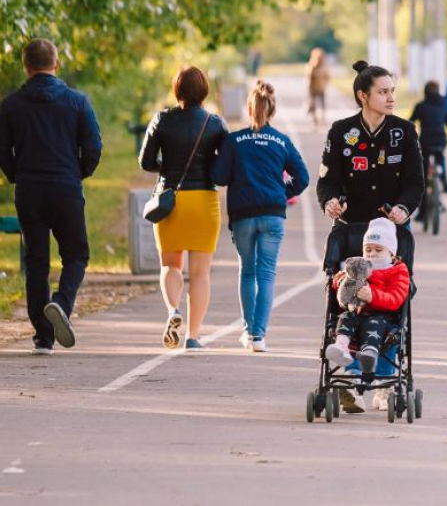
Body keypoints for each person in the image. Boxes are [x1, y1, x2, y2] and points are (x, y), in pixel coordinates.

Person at [317, 59, 424, 411]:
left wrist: (404, 209)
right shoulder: (341, 131)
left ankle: (382, 381)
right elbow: (327, 178)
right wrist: (330, 200)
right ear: (363, 96)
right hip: (351, 233)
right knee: (348, 304)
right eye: (383, 92)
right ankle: (346, 379)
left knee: (390, 303)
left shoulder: (404, 131)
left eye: (392, 91)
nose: (391, 97)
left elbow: (415, 183)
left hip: (390, 234)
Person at [0, 39, 102, 354]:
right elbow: (94, 146)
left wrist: (16, 175)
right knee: (76, 255)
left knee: (36, 261)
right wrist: (79, 172)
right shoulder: (77, 101)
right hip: (66, 187)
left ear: (26, 66)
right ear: (56, 64)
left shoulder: (10, 105)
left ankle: (43, 337)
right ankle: (60, 303)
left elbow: (3, 150)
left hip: (29, 190)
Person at [211, 80, 309, 353]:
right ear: (272, 110)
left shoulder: (234, 141)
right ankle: (259, 336)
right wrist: (281, 190)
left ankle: (247, 330)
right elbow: (303, 177)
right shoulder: (282, 141)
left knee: (247, 271)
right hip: (273, 214)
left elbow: (218, 177)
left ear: (249, 108)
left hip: (243, 214)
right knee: (266, 274)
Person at [139, 66, 228, 351]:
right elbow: (224, 166)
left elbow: (146, 161)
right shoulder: (215, 123)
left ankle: (172, 310)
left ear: (177, 89)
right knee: (200, 274)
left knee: (170, 265)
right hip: (203, 201)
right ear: (204, 90)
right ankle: (193, 336)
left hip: (170, 201)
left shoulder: (162, 119)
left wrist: (168, 169)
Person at [326, 217, 410, 380]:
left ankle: (369, 355)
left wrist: (372, 296)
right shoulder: (358, 265)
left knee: (374, 324)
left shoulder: (397, 270)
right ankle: (341, 347)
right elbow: (337, 280)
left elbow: (396, 298)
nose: (372, 254)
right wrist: (344, 282)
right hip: (356, 313)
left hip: (382, 318)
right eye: (368, 249)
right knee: (344, 318)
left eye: (379, 250)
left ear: (391, 253)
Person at [409, 80, 447, 194]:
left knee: (424, 161)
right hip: (440, 140)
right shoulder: (445, 104)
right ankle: (444, 181)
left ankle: (423, 185)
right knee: (440, 157)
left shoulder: (420, 106)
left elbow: (411, 122)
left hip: (426, 141)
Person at [306, 47, 331, 128]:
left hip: (321, 88)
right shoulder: (311, 66)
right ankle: (315, 120)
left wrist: (325, 84)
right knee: (313, 104)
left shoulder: (324, 66)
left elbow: (327, 76)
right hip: (312, 88)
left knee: (322, 104)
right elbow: (308, 77)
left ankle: (322, 118)